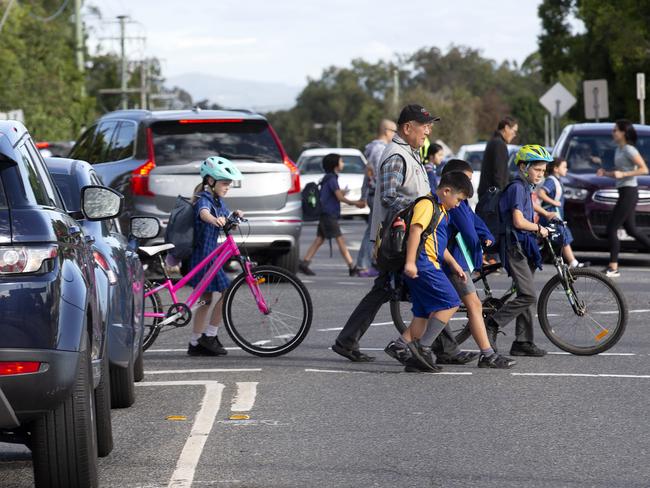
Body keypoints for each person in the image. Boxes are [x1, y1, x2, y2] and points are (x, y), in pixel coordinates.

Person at [332, 104, 438, 362]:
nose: (428, 131)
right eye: (424, 126)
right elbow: (390, 198)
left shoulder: (408, 153)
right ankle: (440, 347)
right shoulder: (396, 156)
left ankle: (347, 340)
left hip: (405, 236)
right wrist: (419, 210)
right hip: (397, 239)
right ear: (407, 127)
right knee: (429, 289)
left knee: (386, 290)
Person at [419, 159, 516, 369]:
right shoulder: (454, 206)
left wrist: (486, 234)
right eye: (467, 181)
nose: (469, 187)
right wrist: (478, 250)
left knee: (443, 308)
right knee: (472, 305)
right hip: (455, 261)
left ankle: (416, 346)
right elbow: (469, 230)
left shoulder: (458, 203)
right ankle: (487, 355)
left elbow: (474, 222)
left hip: (454, 260)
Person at [385, 172, 474, 372]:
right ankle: (423, 348)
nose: (458, 204)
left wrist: (453, 264)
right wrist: (410, 263)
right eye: (458, 199)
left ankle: (399, 346)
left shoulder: (441, 210)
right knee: (451, 301)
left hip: (427, 263)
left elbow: (437, 243)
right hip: (424, 264)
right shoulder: (427, 205)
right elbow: (416, 232)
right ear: (446, 191)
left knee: (423, 314)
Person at [483, 145, 556, 357]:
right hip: (513, 246)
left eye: (544, 171)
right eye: (538, 170)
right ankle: (492, 324)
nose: (541, 175)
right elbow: (518, 221)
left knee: (524, 292)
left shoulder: (526, 187)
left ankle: (523, 342)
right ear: (524, 167)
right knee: (528, 294)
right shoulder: (517, 187)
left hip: (523, 245)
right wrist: (539, 228)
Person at [186, 156, 244, 356]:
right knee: (226, 291)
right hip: (205, 257)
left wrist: (233, 217)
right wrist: (213, 219)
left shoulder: (218, 200)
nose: (227, 187)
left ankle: (195, 342)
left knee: (206, 299)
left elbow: (227, 219)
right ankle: (209, 335)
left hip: (208, 256)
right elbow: (203, 213)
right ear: (210, 181)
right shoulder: (205, 199)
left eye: (229, 184)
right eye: (224, 183)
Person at [596, 119, 650, 277]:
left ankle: (613, 267)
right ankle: (613, 266)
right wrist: (606, 173)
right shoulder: (619, 149)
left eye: (615, 130)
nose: (613, 133)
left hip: (629, 192)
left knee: (611, 228)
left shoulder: (629, 149)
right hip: (623, 191)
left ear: (623, 133)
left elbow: (643, 169)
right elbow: (619, 172)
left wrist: (624, 174)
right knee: (631, 229)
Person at [298, 153, 366, 276]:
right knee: (340, 241)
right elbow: (339, 197)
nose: (343, 164)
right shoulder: (332, 179)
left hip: (325, 214)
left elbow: (334, 194)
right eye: (341, 161)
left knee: (319, 239)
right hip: (329, 215)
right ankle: (351, 266)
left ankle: (304, 263)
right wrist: (356, 203)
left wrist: (342, 192)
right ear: (335, 165)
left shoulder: (328, 178)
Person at [355, 119, 397, 277]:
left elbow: (367, 175)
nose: (395, 135)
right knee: (373, 231)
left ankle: (369, 262)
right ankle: (363, 264)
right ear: (386, 131)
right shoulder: (380, 150)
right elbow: (381, 175)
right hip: (378, 194)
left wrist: (363, 195)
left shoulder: (373, 149)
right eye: (394, 131)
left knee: (375, 230)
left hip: (374, 193)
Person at [537, 158, 584, 269]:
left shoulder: (557, 180)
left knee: (548, 241)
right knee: (564, 235)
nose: (566, 169)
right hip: (551, 215)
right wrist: (554, 202)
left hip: (554, 214)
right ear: (556, 169)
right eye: (564, 167)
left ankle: (536, 260)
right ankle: (573, 263)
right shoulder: (551, 181)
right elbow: (541, 193)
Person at [477, 116, 519, 199]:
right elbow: (499, 174)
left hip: (487, 194)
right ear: (506, 128)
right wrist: (502, 196)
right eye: (514, 131)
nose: (515, 135)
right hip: (493, 196)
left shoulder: (494, 141)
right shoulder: (499, 144)